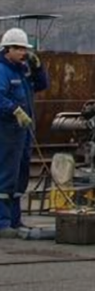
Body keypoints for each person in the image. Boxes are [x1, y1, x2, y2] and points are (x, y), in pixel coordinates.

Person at [0, 28, 48, 235]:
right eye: (18, 49)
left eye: (24, 49)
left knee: (21, 174)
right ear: (7, 49)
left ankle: (15, 220)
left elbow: (41, 85)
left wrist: (38, 69)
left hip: (24, 130)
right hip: (7, 130)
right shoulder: (3, 71)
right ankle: (2, 221)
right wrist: (14, 110)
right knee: (6, 174)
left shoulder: (23, 69)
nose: (22, 53)